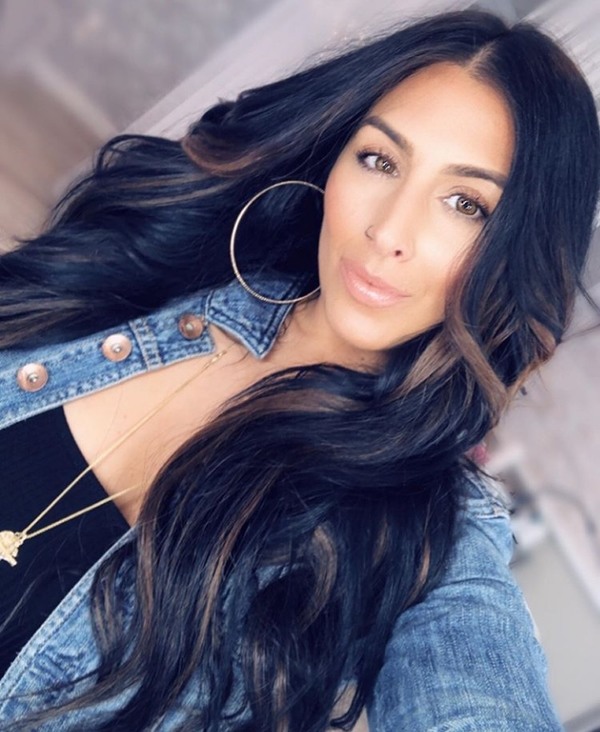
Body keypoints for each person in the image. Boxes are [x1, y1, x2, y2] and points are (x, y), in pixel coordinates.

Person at [0, 8, 598, 731]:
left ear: (518, 253)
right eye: (380, 161)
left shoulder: (434, 535)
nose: (388, 231)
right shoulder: (169, 261)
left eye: (465, 204)